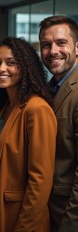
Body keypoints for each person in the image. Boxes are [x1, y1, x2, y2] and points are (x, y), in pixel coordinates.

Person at [0, 37, 57, 231]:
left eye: (11, 63)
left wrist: (25, 226)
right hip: (0, 212)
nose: (1, 69)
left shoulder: (36, 108)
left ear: (25, 67)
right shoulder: (6, 106)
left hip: (22, 218)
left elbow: (40, 179)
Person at [39, 15, 78, 231]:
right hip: (49, 211)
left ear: (77, 47)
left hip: (68, 215)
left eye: (61, 43)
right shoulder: (48, 88)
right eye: (46, 45)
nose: (53, 51)